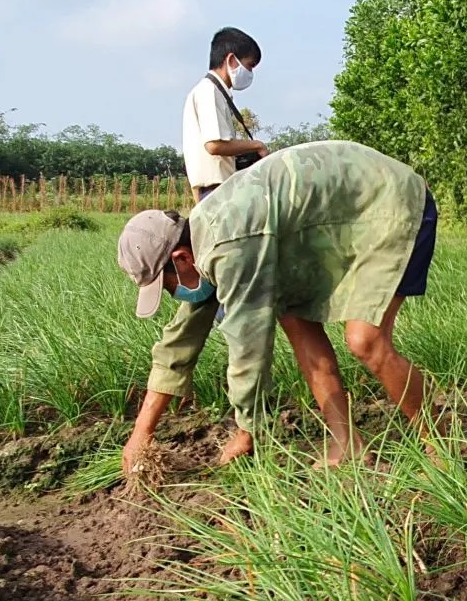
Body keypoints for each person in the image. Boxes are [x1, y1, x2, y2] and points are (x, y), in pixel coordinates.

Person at [116, 140, 439, 473]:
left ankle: (443, 445)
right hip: (334, 216)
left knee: (366, 341)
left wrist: (247, 430)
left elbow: (248, 347)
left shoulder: (228, 245)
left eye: (169, 286)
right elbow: (179, 342)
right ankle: (347, 445)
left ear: (181, 258)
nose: (175, 295)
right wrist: (142, 433)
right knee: (293, 316)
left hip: (387, 200)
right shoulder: (204, 238)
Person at [182, 27, 268, 202]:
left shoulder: (213, 91)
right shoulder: (209, 91)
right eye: (249, 65)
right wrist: (256, 146)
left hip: (214, 191)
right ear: (231, 60)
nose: (250, 73)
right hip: (215, 192)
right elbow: (214, 145)